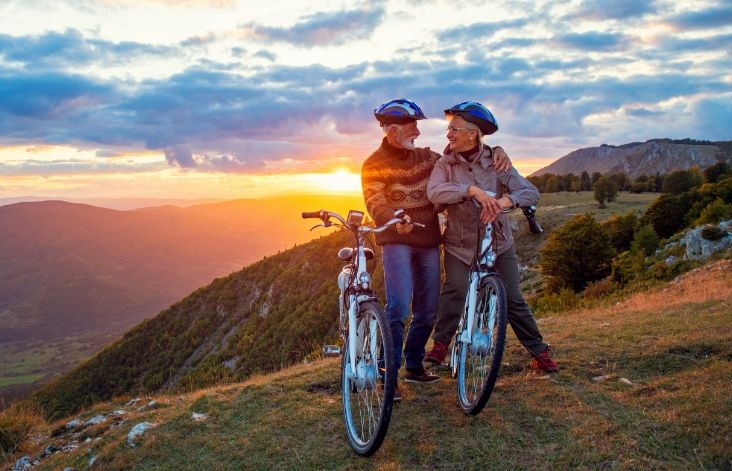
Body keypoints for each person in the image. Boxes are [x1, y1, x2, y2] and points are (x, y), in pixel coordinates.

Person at [361, 98, 513, 400]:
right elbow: (375, 201)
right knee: (399, 307)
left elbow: (462, 155)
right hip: (397, 241)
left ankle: (414, 365)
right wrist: (393, 219)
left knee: (427, 309)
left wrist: (495, 150)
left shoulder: (428, 158)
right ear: (393, 131)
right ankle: (386, 376)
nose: (417, 131)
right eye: (411, 127)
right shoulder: (373, 164)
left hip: (429, 241)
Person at [424, 101, 559, 373]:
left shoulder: (497, 161)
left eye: (454, 129)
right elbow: (435, 193)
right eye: (448, 129)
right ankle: (441, 345)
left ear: (473, 133)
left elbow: (530, 192)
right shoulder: (445, 164)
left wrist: (506, 201)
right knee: (456, 291)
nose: (448, 135)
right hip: (459, 245)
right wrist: (470, 190)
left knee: (513, 299)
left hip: (498, 243)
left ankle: (539, 351)